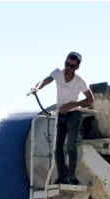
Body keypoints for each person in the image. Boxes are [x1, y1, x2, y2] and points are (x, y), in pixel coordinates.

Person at [30, 52, 95, 185]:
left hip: (73, 115)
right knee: (57, 148)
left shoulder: (80, 80)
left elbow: (90, 98)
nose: (68, 68)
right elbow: (46, 80)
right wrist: (37, 87)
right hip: (61, 114)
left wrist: (73, 104)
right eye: (67, 64)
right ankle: (61, 176)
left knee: (71, 146)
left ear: (77, 68)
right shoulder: (58, 73)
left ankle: (71, 177)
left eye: (72, 66)